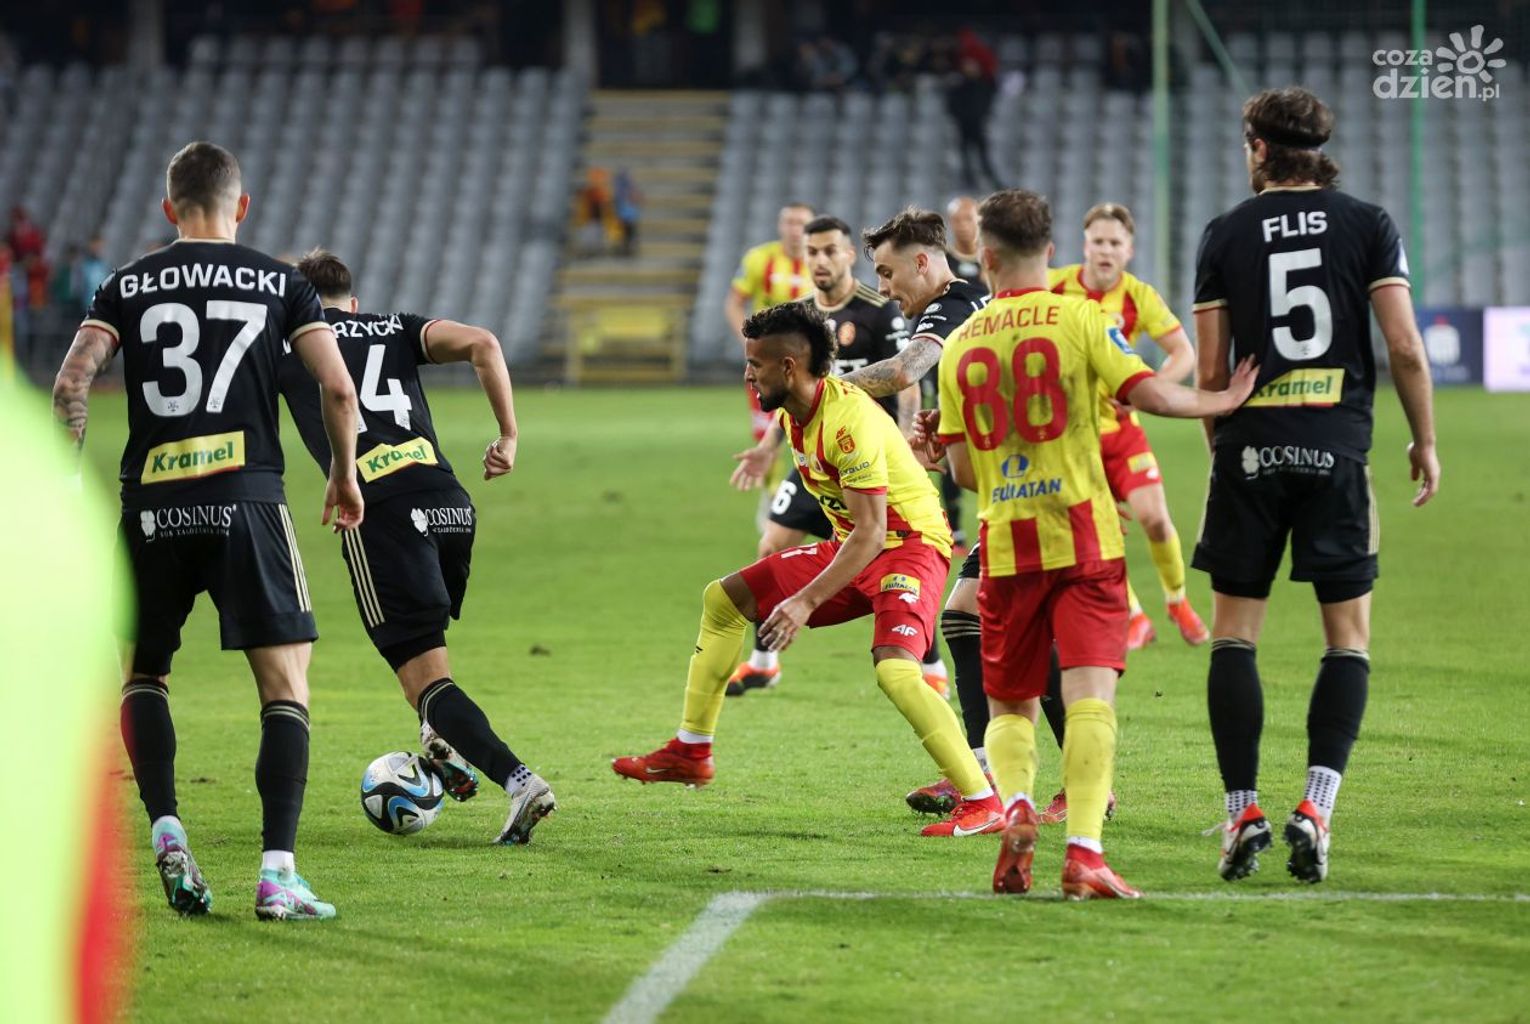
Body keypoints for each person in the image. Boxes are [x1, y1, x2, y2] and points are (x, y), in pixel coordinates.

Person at [51, 141, 363, 921]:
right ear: (242, 206)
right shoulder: (281, 284)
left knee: (143, 675)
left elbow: (71, 381)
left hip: (151, 506)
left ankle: (166, 831)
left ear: (169, 209)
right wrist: (343, 473)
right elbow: (337, 387)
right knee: (284, 685)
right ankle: (277, 874)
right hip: (246, 500)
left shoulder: (127, 284)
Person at [923, 188, 1257, 899]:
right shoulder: (1081, 317)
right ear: (1050, 252)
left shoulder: (961, 344)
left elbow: (963, 471)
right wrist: (1224, 399)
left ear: (985, 257)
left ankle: (1016, 808)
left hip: (1006, 543)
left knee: (1010, 704)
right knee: (1088, 698)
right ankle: (1083, 853)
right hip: (1081, 536)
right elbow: (1150, 393)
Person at [613, 302, 1001, 838]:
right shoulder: (794, 411)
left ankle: (982, 801)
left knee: (894, 670)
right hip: (854, 544)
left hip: (909, 545)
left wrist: (804, 601)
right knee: (723, 600)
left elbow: (873, 531)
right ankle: (691, 750)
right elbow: (859, 531)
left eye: (756, 364)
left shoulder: (848, 422)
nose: (748, 375)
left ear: (789, 367)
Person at [1192, 87, 1438, 884]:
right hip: (1338, 453)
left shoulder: (1226, 232)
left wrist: (1224, 450)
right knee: (1348, 639)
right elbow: (1405, 348)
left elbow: (1210, 372)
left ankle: (1242, 813)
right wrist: (1424, 439)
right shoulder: (1369, 224)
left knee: (1235, 636)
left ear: (1261, 148)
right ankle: (1316, 808)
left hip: (1251, 451)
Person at [279, 249, 556, 846]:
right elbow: (484, 343)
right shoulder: (394, 327)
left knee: (424, 679)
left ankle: (520, 782)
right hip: (450, 502)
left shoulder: (291, 343)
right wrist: (508, 436)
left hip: (382, 509)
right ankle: (440, 740)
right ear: (354, 303)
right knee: (428, 667)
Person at [829, 208, 991, 815]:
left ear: (923, 262)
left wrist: (825, 389)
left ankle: (1082, 785)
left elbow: (903, 370)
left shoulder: (953, 304)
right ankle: (981, 767)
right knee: (966, 620)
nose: (884, 285)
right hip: (1006, 493)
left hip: (1034, 495)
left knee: (1024, 634)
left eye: (887, 270)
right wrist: (945, 439)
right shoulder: (959, 309)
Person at [725, 215, 923, 696]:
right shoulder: (798, 319)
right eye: (812, 252)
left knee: (891, 561)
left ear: (849, 255)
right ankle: (764, 661)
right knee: (771, 545)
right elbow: (787, 392)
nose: (820, 260)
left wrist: (905, 442)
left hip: (864, 457)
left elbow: (907, 382)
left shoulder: (879, 311)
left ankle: (928, 662)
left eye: (830, 250)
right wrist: (766, 449)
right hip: (812, 454)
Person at [1049, 202, 1209, 655]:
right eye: (1098, 241)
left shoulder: (1138, 296)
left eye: (1114, 243)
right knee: (1100, 536)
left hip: (1121, 430)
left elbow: (1184, 353)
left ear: (1129, 250)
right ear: (1085, 246)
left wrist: (1145, 388)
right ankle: (1135, 616)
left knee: (1155, 518)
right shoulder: (1054, 286)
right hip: (1072, 438)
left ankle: (1177, 601)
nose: (1106, 250)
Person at [725, 202, 815, 444]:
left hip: (807, 361)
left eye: (801, 223)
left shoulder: (820, 264)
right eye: (789, 222)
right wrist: (748, 342)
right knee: (765, 432)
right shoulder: (759, 258)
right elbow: (733, 303)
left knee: (814, 429)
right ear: (780, 226)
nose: (795, 229)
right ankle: (770, 471)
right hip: (765, 360)